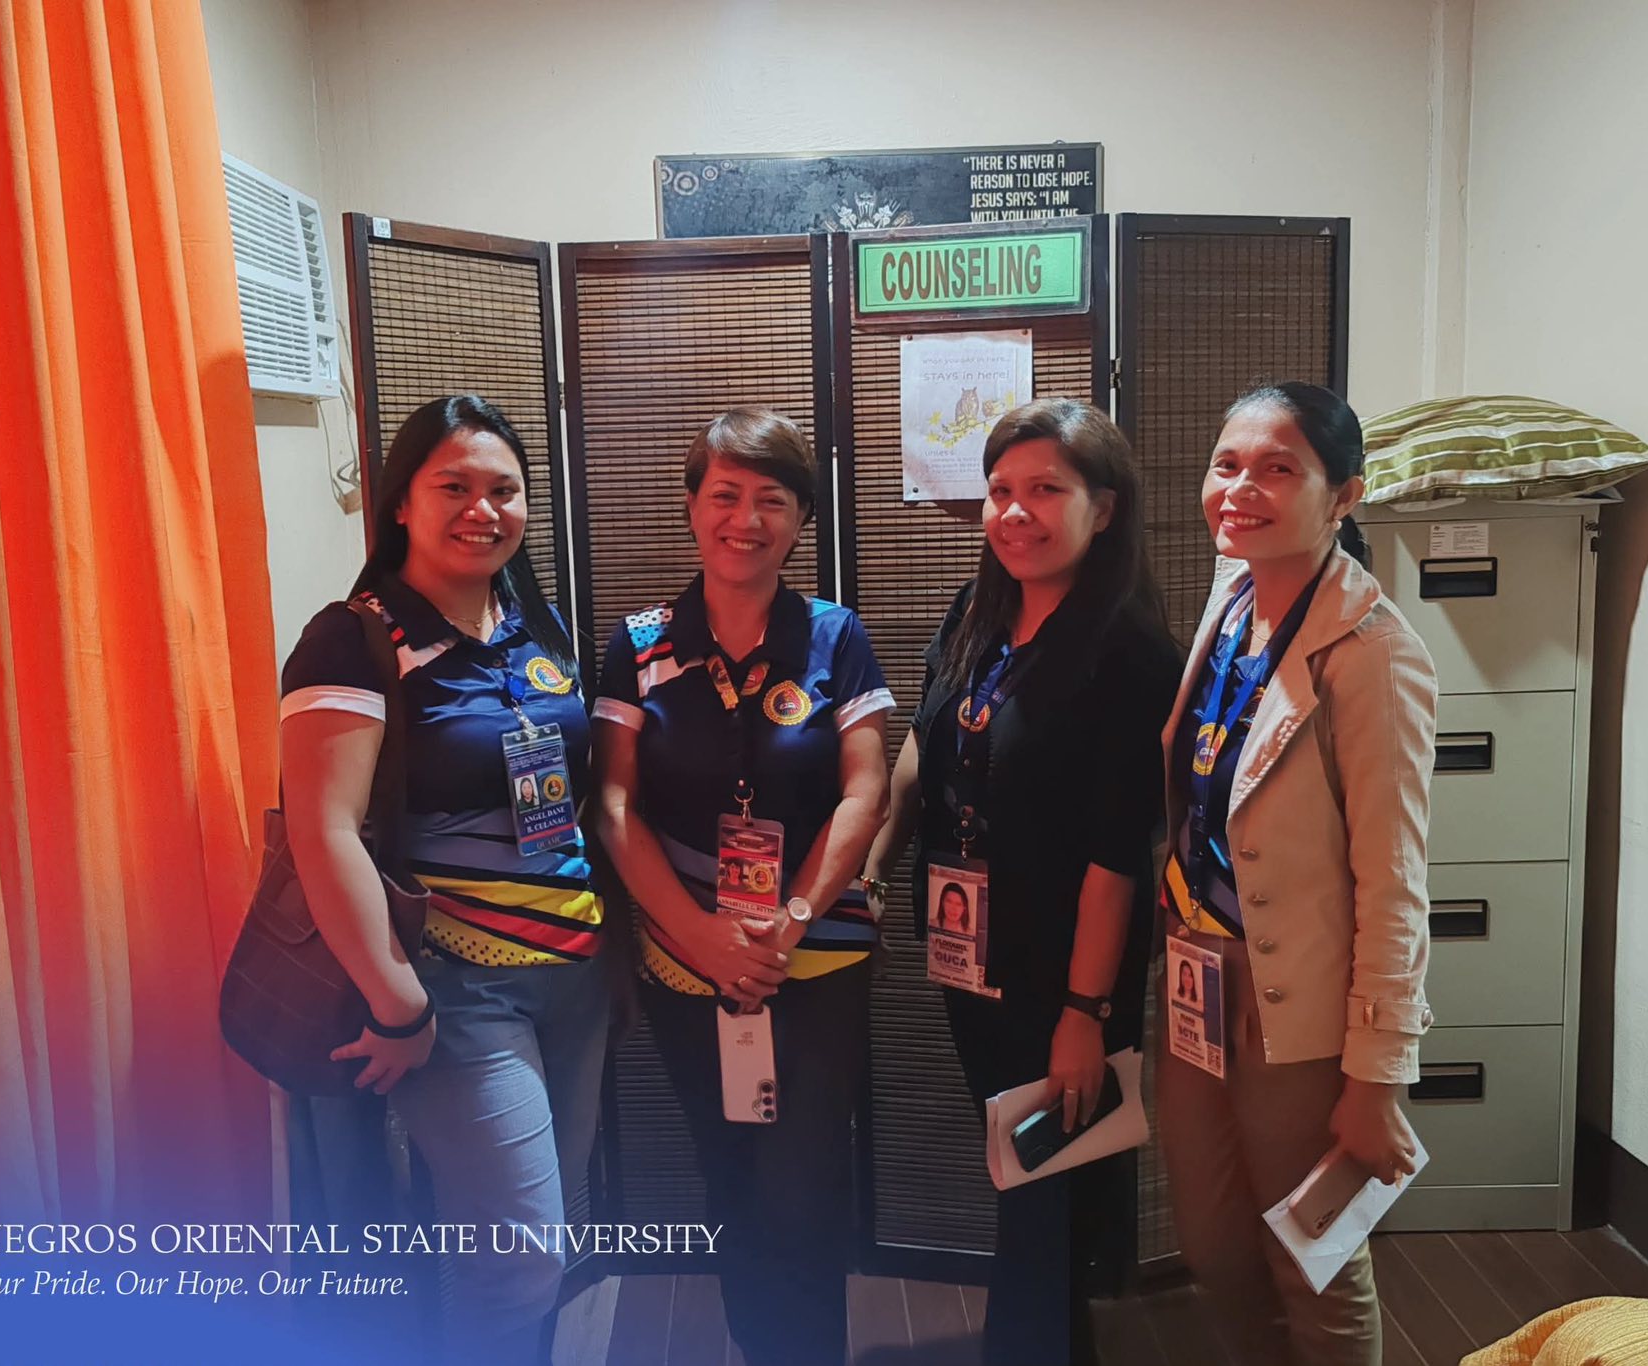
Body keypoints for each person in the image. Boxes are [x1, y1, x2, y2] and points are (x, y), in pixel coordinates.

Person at [278, 395, 608, 1365]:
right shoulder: (353, 638)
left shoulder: (533, 622)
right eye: (453, 486)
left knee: (537, 1243)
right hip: (455, 989)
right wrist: (398, 1002)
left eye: (504, 489)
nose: (483, 509)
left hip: (574, 977)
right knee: (520, 1258)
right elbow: (323, 829)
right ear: (400, 503)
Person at [865, 398, 1181, 1366]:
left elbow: (1115, 852)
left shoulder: (1127, 652)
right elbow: (926, 739)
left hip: (1063, 970)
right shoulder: (980, 607)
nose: (1013, 512)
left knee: (1044, 1182)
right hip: (972, 951)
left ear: (1103, 508)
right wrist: (875, 862)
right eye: (1000, 489)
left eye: (1044, 489)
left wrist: (1084, 1013)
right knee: (1024, 1171)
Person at [593, 407, 893, 1366]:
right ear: (692, 508)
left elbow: (866, 788)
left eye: (772, 499)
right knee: (728, 1176)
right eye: (725, 495)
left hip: (817, 957)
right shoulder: (640, 644)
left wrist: (790, 921)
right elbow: (613, 805)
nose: (746, 519)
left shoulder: (834, 635)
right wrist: (699, 936)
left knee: (804, 1191)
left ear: (801, 518)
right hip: (686, 959)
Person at [1156, 382, 1438, 1366]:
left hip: (1298, 1005)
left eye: (1278, 469)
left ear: (1343, 495)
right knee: (1213, 1248)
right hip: (1195, 976)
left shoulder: (1372, 655)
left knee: (1314, 1259)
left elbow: (1394, 882)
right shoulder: (1232, 595)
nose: (1241, 489)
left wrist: (1377, 1075)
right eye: (1227, 465)